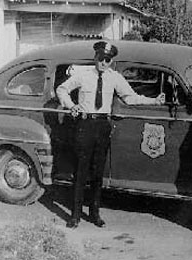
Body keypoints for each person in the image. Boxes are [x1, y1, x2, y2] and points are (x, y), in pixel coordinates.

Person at [56, 41, 165, 229]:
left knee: (98, 173)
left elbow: (129, 97)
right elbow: (62, 89)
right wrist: (71, 105)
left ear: (111, 61)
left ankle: (94, 213)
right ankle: (75, 215)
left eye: (107, 59)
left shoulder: (115, 77)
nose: (103, 62)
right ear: (95, 57)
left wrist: (154, 101)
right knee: (81, 171)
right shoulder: (82, 75)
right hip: (85, 124)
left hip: (102, 126)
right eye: (100, 58)